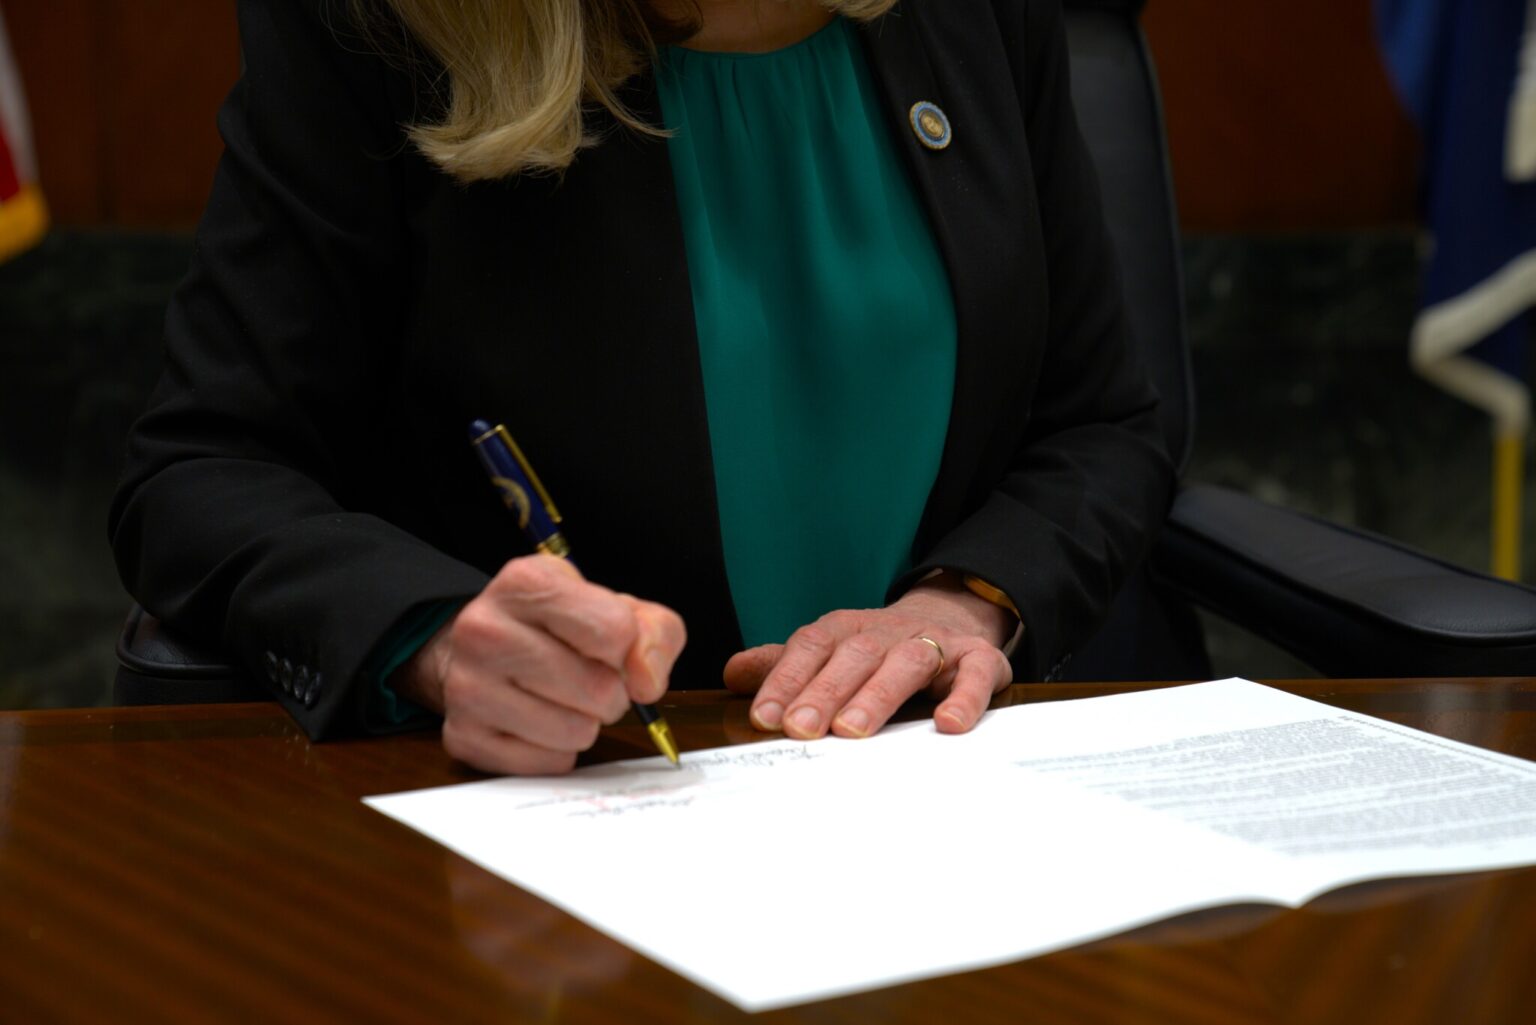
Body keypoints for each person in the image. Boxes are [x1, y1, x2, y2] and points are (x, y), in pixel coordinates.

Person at [109, 0, 1173, 775]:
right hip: (579, 821)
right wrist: (429, 638)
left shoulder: (982, 17)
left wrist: (968, 599)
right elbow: (203, 470)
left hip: (947, 794)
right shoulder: (376, 26)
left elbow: (1101, 423)